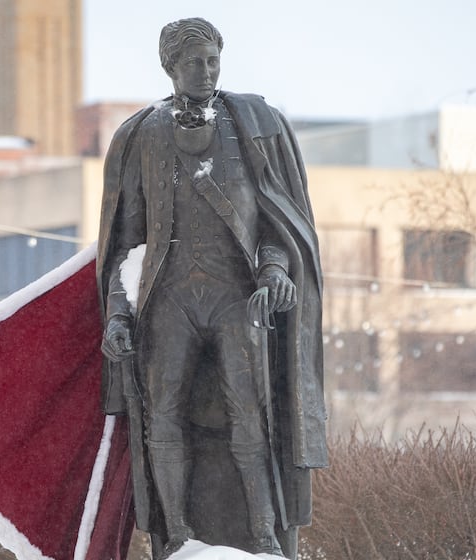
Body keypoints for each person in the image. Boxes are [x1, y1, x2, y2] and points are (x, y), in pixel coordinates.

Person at [97, 17, 327, 559]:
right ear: (170, 67)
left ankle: (266, 537)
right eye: (194, 62)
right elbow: (124, 243)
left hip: (234, 298)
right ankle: (176, 536)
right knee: (164, 417)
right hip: (166, 302)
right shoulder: (139, 135)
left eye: (213, 61)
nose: (206, 71)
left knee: (252, 418)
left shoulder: (256, 125)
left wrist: (275, 271)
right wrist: (117, 313)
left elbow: (278, 223)